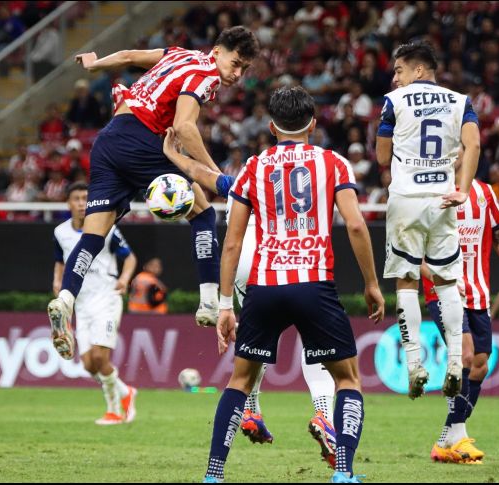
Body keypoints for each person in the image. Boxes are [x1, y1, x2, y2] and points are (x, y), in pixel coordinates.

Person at [198, 87, 385, 484]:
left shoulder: (253, 166)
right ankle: (344, 473)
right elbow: (354, 224)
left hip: (265, 286)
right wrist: (371, 283)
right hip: (314, 284)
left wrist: (225, 304)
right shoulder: (333, 163)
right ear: (313, 125)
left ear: (271, 127)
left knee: (240, 380)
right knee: (348, 379)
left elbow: (231, 241)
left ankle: (214, 474)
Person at [47, 27, 260, 361]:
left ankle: (65, 300)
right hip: (143, 140)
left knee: (92, 237)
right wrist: (215, 175)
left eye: (244, 70)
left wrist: (95, 64)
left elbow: (130, 57)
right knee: (203, 213)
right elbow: (186, 127)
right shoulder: (206, 73)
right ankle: (208, 301)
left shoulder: (180, 53)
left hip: (108, 139)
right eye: (235, 64)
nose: (236, 74)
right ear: (217, 51)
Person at [162, 115, 344, 468]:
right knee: (316, 344)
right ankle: (324, 413)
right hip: (287, 259)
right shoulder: (318, 166)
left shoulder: (250, 174)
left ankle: (251, 411)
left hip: (247, 266)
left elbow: (207, 178)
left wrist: (174, 156)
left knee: (254, 345)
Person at [375, 41, 480, 399]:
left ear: (418, 70)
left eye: (399, 70)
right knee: (447, 280)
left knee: (406, 281)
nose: (395, 78)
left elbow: (380, 155)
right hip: (443, 199)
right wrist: (462, 189)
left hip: (406, 199)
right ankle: (453, 362)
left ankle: (415, 364)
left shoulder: (395, 102)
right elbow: (474, 145)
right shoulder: (461, 101)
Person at [422, 162, 499, 464]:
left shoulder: (485, 193)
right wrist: (443, 280)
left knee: (479, 365)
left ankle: (446, 440)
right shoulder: (426, 193)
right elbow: (411, 253)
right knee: (464, 355)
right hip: (443, 291)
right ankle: (460, 437)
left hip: (478, 293)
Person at [52, 182, 139, 425]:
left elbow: (130, 258)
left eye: (85, 199)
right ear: (68, 203)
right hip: (81, 302)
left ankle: (113, 410)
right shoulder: (60, 232)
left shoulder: (106, 228)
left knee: (101, 358)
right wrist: (57, 280)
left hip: (106, 297)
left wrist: (124, 278)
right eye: (77, 198)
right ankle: (126, 392)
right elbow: (60, 261)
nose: (81, 203)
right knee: (89, 365)